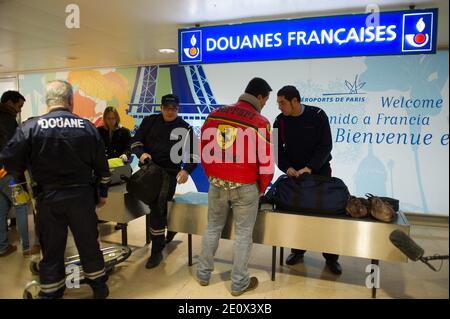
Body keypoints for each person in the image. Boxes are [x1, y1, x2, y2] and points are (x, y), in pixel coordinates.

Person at [0, 80, 111, 298]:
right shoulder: (87, 127)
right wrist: (103, 193)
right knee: (88, 242)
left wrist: (25, 173)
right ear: (71, 101)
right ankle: (99, 286)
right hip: (82, 197)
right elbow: (102, 167)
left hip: (48, 198)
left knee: (51, 247)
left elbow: (10, 161)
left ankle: (52, 290)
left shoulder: (30, 128)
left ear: (47, 101)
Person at [197, 77, 274, 296]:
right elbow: (266, 161)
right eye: (266, 100)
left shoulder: (215, 114)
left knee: (212, 228)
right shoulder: (260, 122)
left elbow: (203, 148)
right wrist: (262, 187)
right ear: (259, 97)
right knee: (243, 235)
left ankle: (203, 274)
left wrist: (212, 175)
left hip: (217, 184)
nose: (265, 104)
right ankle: (238, 283)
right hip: (245, 186)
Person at [274, 85, 342, 275]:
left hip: (319, 173)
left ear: (295, 101)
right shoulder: (279, 121)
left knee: (325, 216)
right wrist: (287, 168)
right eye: (278, 103)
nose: (279, 107)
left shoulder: (318, 115)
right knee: (298, 216)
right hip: (295, 176)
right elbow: (277, 151)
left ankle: (331, 258)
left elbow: (326, 146)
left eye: (282, 103)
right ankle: (297, 251)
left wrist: (310, 167)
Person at [131, 93, 198, 269]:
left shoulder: (185, 127)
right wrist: (141, 153)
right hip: (148, 171)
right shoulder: (149, 121)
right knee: (154, 207)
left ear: (178, 109)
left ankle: (156, 250)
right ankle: (170, 226)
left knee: (157, 208)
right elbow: (136, 142)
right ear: (161, 107)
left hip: (169, 175)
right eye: (167, 108)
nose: (170, 111)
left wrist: (186, 170)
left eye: (174, 108)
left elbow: (194, 155)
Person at [0, 91, 39, 257]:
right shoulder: (7, 120)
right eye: (19, 106)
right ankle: (27, 247)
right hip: (8, 172)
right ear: (9, 103)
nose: (19, 111)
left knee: (1, 208)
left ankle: (2, 246)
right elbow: (13, 148)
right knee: (22, 206)